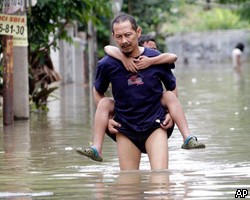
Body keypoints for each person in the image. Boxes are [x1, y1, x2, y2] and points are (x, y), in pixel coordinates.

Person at [77, 13, 204, 170]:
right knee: (128, 186)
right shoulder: (107, 64)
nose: (124, 41)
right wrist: (108, 119)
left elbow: (172, 88)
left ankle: (188, 137)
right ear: (113, 37)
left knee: (160, 180)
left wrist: (170, 114)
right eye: (119, 37)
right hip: (125, 128)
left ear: (138, 32)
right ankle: (96, 148)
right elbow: (97, 92)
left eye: (128, 35)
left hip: (155, 125)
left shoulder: (155, 58)